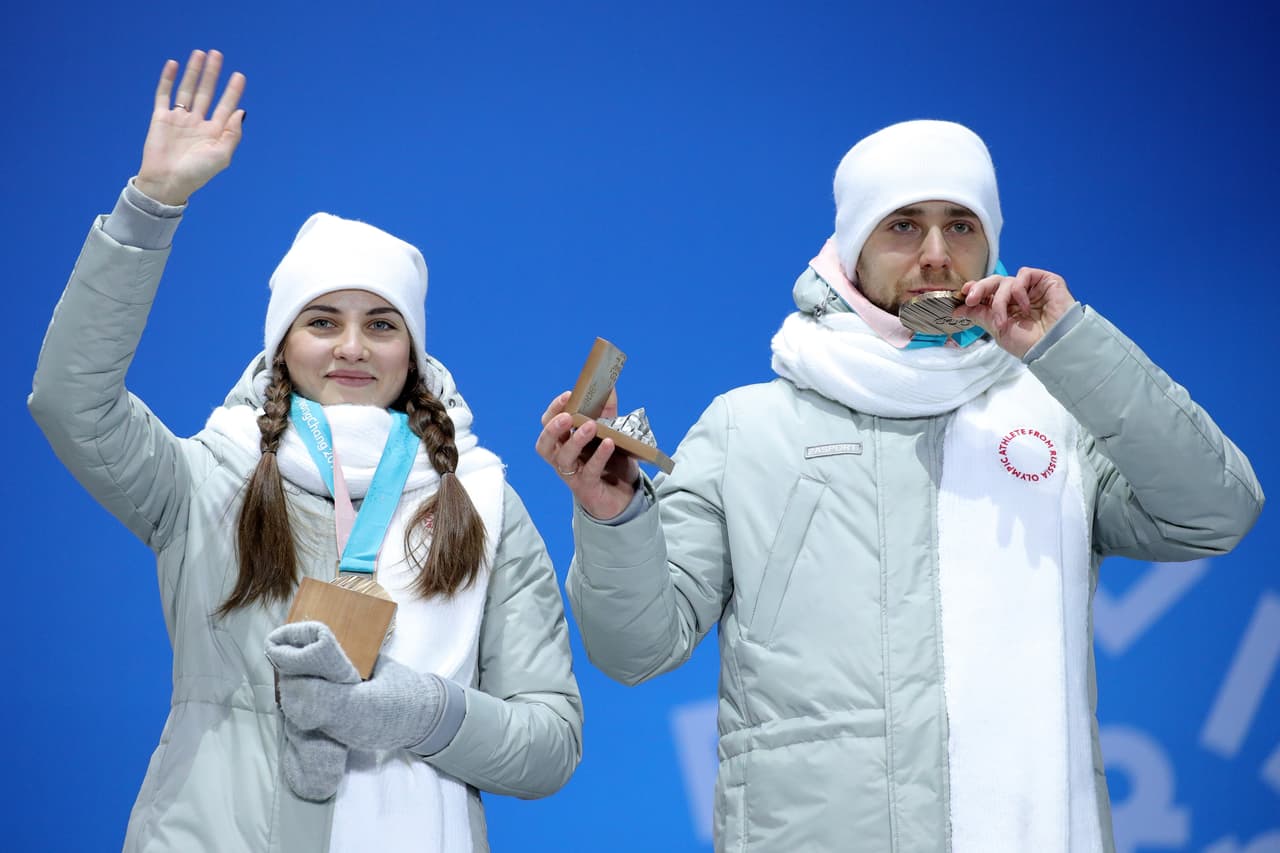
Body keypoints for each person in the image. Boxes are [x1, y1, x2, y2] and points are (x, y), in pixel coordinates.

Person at [535, 119, 1264, 851]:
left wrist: (1070, 345)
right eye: (904, 225)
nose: (937, 254)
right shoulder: (745, 428)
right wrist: (615, 516)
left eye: (961, 225)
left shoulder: (1059, 419)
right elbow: (636, 649)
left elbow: (1215, 511)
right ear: (853, 247)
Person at [30, 50, 582, 853]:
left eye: (381, 323)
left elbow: (550, 743)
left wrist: (419, 711)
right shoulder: (205, 478)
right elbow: (71, 400)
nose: (352, 347)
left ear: (413, 350)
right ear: (281, 344)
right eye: (322, 321)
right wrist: (151, 204)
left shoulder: (486, 499)